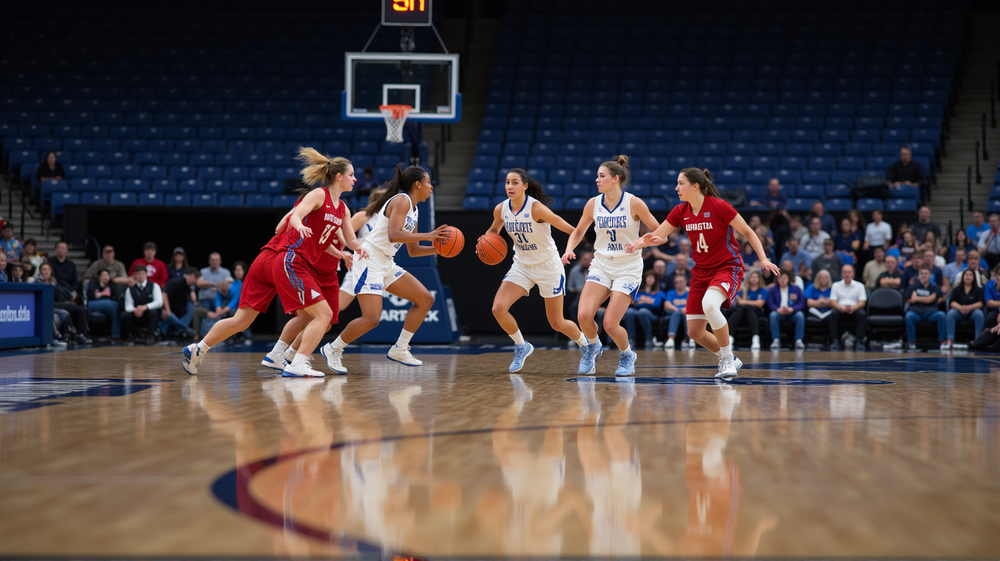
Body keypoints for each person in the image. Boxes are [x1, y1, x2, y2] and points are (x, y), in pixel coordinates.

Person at [184, 149, 365, 377]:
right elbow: (286, 223)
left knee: (243, 320)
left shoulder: (342, 209)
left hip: (274, 260)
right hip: (288, 259)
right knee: (322, 315)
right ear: (339, 176)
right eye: (351, 174)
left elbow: (348, 240)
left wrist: (355, 250)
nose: (355, 179)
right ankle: (295, 361)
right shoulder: (318, 195)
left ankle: (199, 348)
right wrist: (299, 224)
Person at [629, 167, 779, 379]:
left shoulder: (719, 206)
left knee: (710, 304)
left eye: (681, 183)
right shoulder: (680, 211)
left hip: (727, 267)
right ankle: (730, 358)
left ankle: (726, 359)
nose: (676, 187)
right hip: (701, 272)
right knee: (695, 332)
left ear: (695, 186)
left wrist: (763, 258)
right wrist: (640, 243)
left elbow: (748, 231)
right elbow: (659, 236)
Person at [320, 163, 447, 375]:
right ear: (418, 184)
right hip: (370, 259)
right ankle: (333, 348)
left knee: (425, 299)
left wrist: (439, 250)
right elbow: (393, 235)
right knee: (372, 319)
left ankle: (400, 348)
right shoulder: (401, 200)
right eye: (428, 183)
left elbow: (413, 250)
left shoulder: (414, 209)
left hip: (387, 261)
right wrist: (428, 235)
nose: (431, 187)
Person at [561, 155, 661, 376]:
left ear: (615, 178)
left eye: (601, 176)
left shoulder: (634, 203)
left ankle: (627, 354)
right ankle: (593, 346)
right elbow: (578, 231)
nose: (597, 180)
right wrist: (569, 249)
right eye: (597, 176)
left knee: (610, 324)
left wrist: (643, 241)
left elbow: (660, 233)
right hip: (602, 264)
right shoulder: (593, 204)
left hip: (628, 267)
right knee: (583, 316)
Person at [481, 168, 589, 372]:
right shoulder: (501, 209)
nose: (510, 186)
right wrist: (486, 239)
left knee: (557, 323)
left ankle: (586, 345)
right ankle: (521, 346)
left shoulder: (537, 209)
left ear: (525, 186)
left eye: (514, 182)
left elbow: (571, 229)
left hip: (548, 266)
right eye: (507, 182)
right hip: (522, 265)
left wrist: (574, 246)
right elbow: (494, 230)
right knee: (498, 308)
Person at [903, 267, 945, 350]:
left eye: (926, 273)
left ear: (930, 275)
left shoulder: (935, 287)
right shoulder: (912, 287)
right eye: (921, 273)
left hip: (931, 313)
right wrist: (928, 299)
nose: (923, 275)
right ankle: (911, 341)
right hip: (916, 313)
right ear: (918, 276)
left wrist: (917, 298)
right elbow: (908, 300)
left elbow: (940, 299)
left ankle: (942, 341)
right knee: (908, 316)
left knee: (941, 315)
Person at [724, 269, 767, 350]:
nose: (754, 279)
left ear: (759, 279)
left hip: (756, 312)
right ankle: (730, 338)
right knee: (741, 309)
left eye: (756, 277)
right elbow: (739, 302)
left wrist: (745, 302)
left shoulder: (763, 290)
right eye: (752, 277)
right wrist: (746, 293)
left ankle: (755, 338)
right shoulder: (743, 289)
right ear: (749, 278)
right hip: (742, 312)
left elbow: (760, 304)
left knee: (748, 308)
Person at [943, 269, 985, 350]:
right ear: (963, 277)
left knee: (979, 314)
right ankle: (950, 339)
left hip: (973, 311)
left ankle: (978, 340)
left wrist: (970, 307)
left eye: (970, 275)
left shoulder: (979, 290)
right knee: (951, 313)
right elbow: (952, 303)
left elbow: (981, 303)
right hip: (959, 311)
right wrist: (961, 308)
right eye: (966, 275)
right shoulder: (956, 289)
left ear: (974, 277)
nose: (968, 277)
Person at [121, 264, 163, 343]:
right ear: (135, 276)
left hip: (149, 313)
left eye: (142, 274)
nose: (140, 276)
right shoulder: (130, 289)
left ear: (146, 274)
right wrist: (135, 310)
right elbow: (128, 306)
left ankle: (150, 336)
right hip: (137, 314)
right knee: (124, 316)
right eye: (138, 274)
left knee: (153, 313)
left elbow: (159, 302)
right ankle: (136, 335)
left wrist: (145, 307)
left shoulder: (154, 286)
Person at [830, 264, 868, 350]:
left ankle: (859, 340)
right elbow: (832, 302)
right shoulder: (835, 285)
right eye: (845, 272)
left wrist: (853, 308)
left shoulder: (860, 285)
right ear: (842, 274)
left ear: (853, 274)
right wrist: (842, 308)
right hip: (841, 310)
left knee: (862, 314)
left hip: (854, 310)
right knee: (833, 313)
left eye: (849, 272)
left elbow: (862, 302)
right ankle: (835, 340)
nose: (847, 274)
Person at [766, 270, 806, 350]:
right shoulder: (772, 289)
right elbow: (770, 303)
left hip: (792, 313)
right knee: (773, 315)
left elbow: (802, 303)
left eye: (784, 278)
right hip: (779, 313)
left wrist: (792, 309)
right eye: (780, 278)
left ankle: (799, 340)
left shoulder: (796, 289)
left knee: (800, 315)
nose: (782, 280)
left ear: (788, 279)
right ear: (777, 279)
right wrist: (777, 309)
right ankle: (776, 340)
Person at [160, 267, 200, 339]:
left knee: (191, 308)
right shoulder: (176, 281)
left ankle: (178, 329)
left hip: (180, 310)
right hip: (169, 309)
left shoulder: (188, 287)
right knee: (170, 315)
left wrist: (192, 292)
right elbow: (164, 294)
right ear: (191, 276)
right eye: (195, 279)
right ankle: (185, 329)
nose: (195, 282)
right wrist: (167, 309)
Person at [630, 270, 666, 349]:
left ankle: (648, 339)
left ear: (655, 280)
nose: (650, 279)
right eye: (648, 277)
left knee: (643, 311)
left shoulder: (659, 293)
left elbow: (656, 305)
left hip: (653, 314)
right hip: (637, 312)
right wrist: (649, 301)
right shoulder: (638, 292)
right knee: (629, 312)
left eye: (652, 278)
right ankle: (631, 339)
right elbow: (633, 303)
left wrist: (641, 301)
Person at [85, 269, 120, 341]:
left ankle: (115, 335)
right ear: (99, 277)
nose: (106, 277)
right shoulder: (93, 283)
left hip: (109, 305)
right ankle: (115, 335)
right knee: (114, 305)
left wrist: (103, 297)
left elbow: (116, 296)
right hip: (92, 304)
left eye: (107, 275)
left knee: (116, 307)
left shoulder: (111, 284)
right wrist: (105, 297)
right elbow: (92, 296)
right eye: (103, 275)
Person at [806, 269, 835, 347]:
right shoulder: (811, 287)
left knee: (834, 313)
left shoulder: (833, 288)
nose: (823, 280)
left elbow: (834, 303)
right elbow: (809, 302)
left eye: (825, 278)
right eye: (822, 278)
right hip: (815, 311)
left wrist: (821, 302)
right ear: (818, 279)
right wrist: (823, 302)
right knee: (810, 310)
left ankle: (832, 339)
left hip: (828, 312)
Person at [662, 273, 689, 350]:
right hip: (673, 314)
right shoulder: (671, 292)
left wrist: (684, 310)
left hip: (686, 314)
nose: (680, 284)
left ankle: (688, 339)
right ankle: (671, 339)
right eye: (677, 282)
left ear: (686, 282)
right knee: (677, 313)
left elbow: (693, 306)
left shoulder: (690, 293)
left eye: (681, 281)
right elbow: (667, 305)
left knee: (686, 314)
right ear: (674, 284)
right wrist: (679, 309)